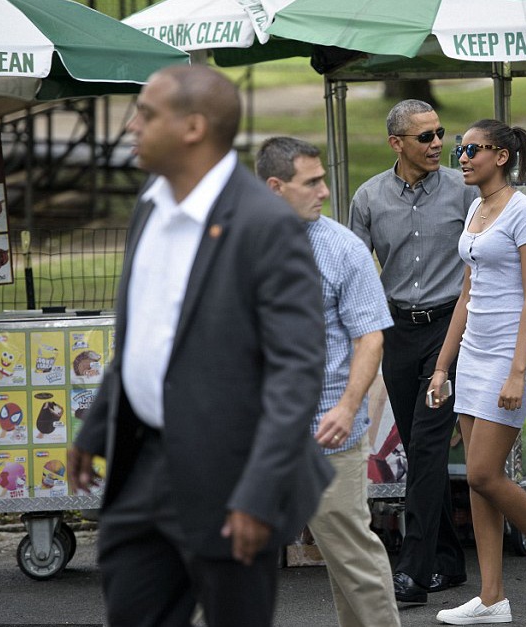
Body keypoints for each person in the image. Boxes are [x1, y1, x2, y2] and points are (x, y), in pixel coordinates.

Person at [67, 65, 332, 627]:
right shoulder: (151, 205)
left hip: (230, 480)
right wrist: (96, 428)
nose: (131, 124)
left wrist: (258, 491)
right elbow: (144, 334)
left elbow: (296, 373)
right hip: (141, 470)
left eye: (147, 113)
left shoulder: (265, 224)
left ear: (192, 127)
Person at [429, 119, 526, 624]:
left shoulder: (524, 211)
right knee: (478, 482)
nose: (462, 156)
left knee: (483, 473)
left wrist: (517, 371)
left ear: (500, 155)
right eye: (460, 148)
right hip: (474, 352)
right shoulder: (477, 207)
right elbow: (468, 292)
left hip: (511, 356)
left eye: (472, 148)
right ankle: (492, 598)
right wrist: (442, 364)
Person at [256, 137, 400, 627]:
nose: (324, 191)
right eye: (311, 182)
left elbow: (369, 340)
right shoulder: (230, 244)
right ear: (275, 188)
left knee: (351, 558)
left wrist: (346, 407)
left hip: (327, 432)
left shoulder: (343, 249)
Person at [349, 99, 477, 604]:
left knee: (425, 446)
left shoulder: (464, 192)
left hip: (450, 328)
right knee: (422, 451)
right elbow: (357, 275)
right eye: (425, 137)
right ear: (396, 143)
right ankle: (449, 563)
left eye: (440, 133)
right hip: (398, 331)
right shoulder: (368, 197)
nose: (438, 144)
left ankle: (413, 570)